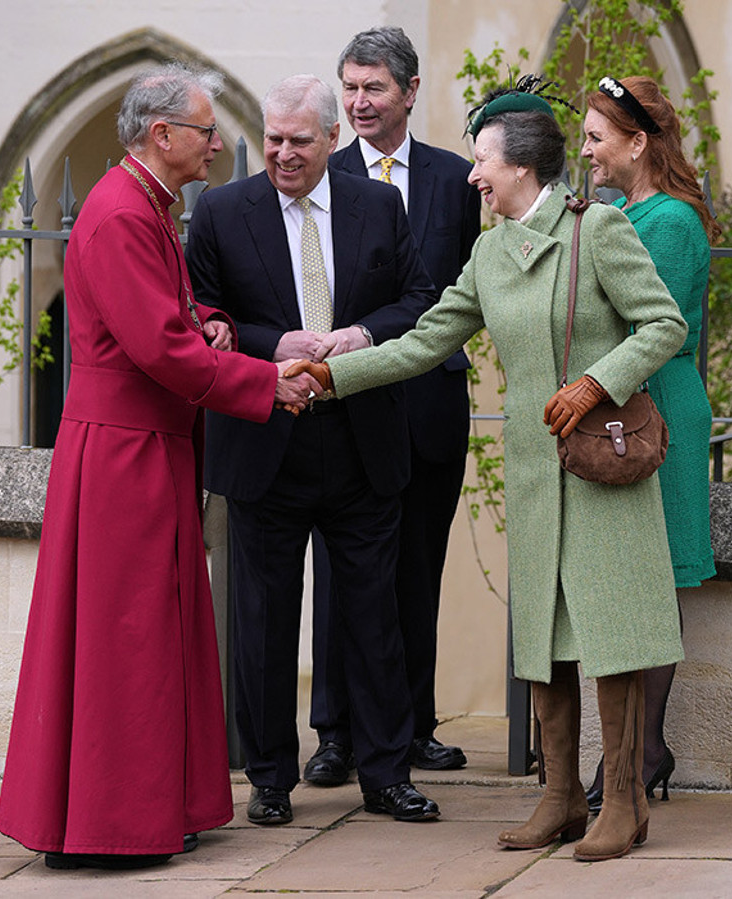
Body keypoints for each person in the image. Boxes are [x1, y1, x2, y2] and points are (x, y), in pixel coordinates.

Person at [286, 76, 689, 862]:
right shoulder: (490, 250)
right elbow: (428, 340)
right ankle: (560, 796)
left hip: (601, 466)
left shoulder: (597, 232)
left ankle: (627, 802)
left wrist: (596, 381)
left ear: (522, 166)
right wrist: (337, 373)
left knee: (609, 634)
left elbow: (664, 324)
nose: (471, 174)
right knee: (543, 634)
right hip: (540, 473)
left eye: (482, 161)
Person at [0, 63, 322, 871]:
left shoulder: (144, 205)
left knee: (158, 630)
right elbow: (154, 348)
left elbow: (174, 315)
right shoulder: (117, 214)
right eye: (207, 130)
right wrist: (265, 381)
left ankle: (155, 806)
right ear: (162, 134)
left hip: (146, 446)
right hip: (120, 452)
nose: (217, 143)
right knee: (125, 635)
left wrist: (211, 322)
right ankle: (111, 820)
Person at [185, 74, 440, 825]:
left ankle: (387, 773)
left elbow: (419, 300)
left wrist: (361, 334)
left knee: (374, 618)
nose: (283, 153)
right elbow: (203, 309)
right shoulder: (225, 211)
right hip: (266, 444)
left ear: (333, 138)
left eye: (300, 139)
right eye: (273, 138)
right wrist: (275, 344)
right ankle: (269, 778)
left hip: (362, 441)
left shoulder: (378, 204)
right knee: (262, 623)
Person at [303, 25, 481, 788]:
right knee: (345, 574)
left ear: (410, 92)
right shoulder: (320, 172)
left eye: (374, 87)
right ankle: (337, 734)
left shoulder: (456, 178)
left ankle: (412, 728)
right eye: (349, 86)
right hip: (351, 408)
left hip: (432, 404)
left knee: (417, 570)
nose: (358, 100)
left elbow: (465, 289)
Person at [580, 75, 719, 814]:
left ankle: (643, 748)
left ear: (638, 142)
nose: (588, 152)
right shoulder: (618, 210)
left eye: (598, 138)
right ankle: (638, 751)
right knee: (631, 579)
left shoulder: (669, 222)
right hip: (623, 403)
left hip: (653, 407)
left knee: (650, 578)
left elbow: (643, 331)